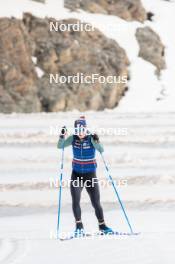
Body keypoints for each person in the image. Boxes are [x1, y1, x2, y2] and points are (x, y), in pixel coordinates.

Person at [57, 116, 113, 236]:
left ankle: (102, 226)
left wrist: (97, 140)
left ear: (85, 129)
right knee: (75, 201)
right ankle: (79, 227)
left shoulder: (91, 138)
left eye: (82, 130)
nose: (80, 133)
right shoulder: (72, 138)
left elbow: (101, 149)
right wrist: (62, 137)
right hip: (76, 175)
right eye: (77, 130)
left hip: (90, 175)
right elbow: (60, 146)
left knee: (96, 203)